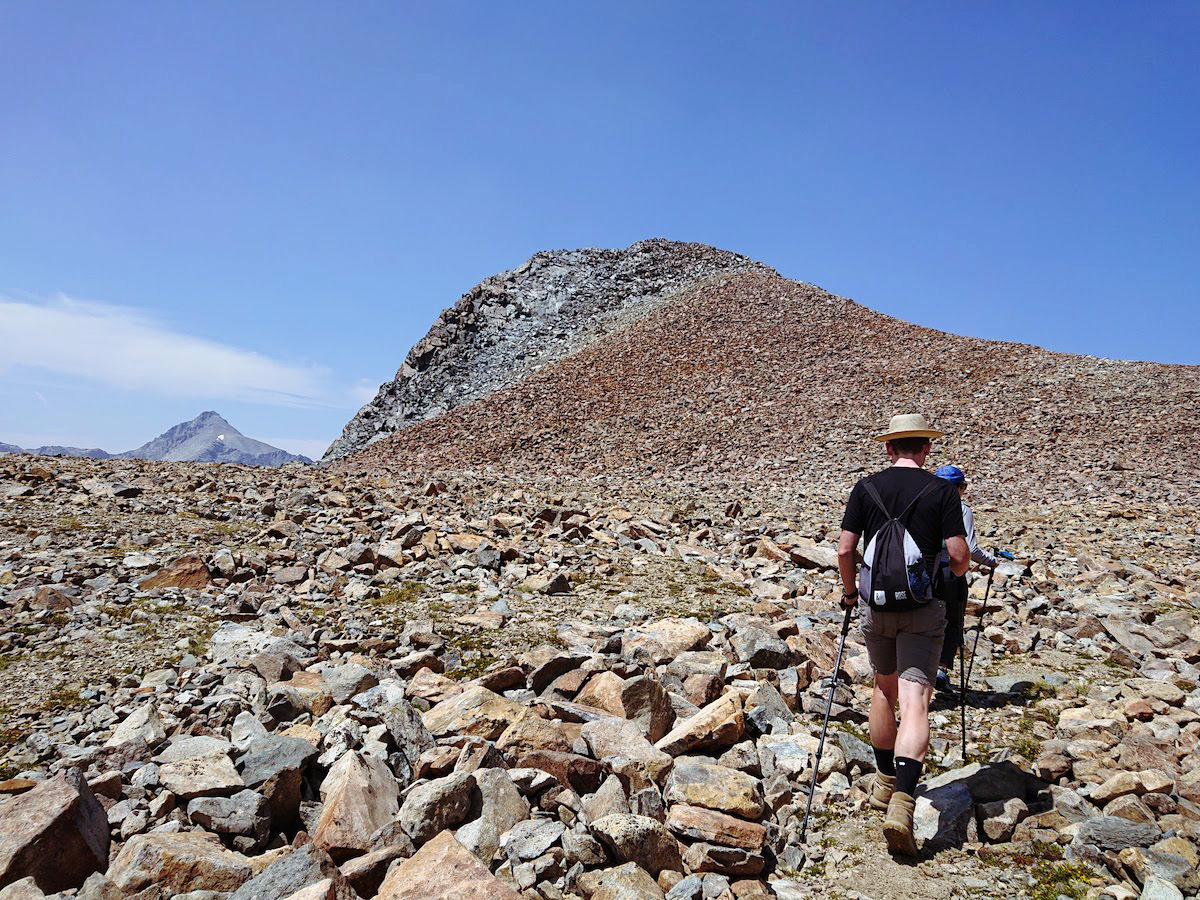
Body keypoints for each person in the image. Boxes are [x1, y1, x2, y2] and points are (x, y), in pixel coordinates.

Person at [837, 413, 969, 856]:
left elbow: (844, 549)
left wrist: (850, 593)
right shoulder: (942, 491)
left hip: (876, 605)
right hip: (922, 607)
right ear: (926, 448)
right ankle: (903, 801)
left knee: (882, 688)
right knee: (916, 700)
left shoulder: (866, 488)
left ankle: (882, 782)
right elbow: (958, 556)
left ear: (889, 448)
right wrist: (948, 574)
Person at [932, 465, 999, 693]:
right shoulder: (961, 510)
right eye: (963, 486)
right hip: (951, 573)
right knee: (952, 620)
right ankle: (940, 669)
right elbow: (969, 549)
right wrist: (991, 561)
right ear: (958, 488)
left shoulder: (924, 505)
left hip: (921, 571)